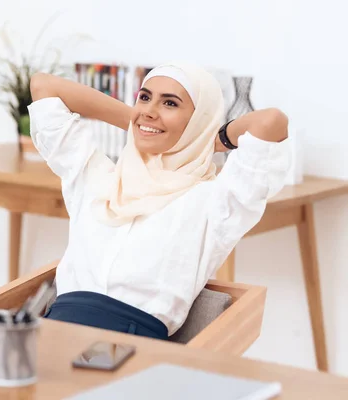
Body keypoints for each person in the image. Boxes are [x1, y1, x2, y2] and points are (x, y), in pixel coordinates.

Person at [28, 62, 290, 340]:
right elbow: (43, 85)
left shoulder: (213, 203)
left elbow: (270, 122)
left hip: (131, 351)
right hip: (50, 335)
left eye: (170, 103)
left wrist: (208, 138)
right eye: (144, 97)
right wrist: (139, 121)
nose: (150, 109)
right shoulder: (95, 178)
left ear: (198, 120)